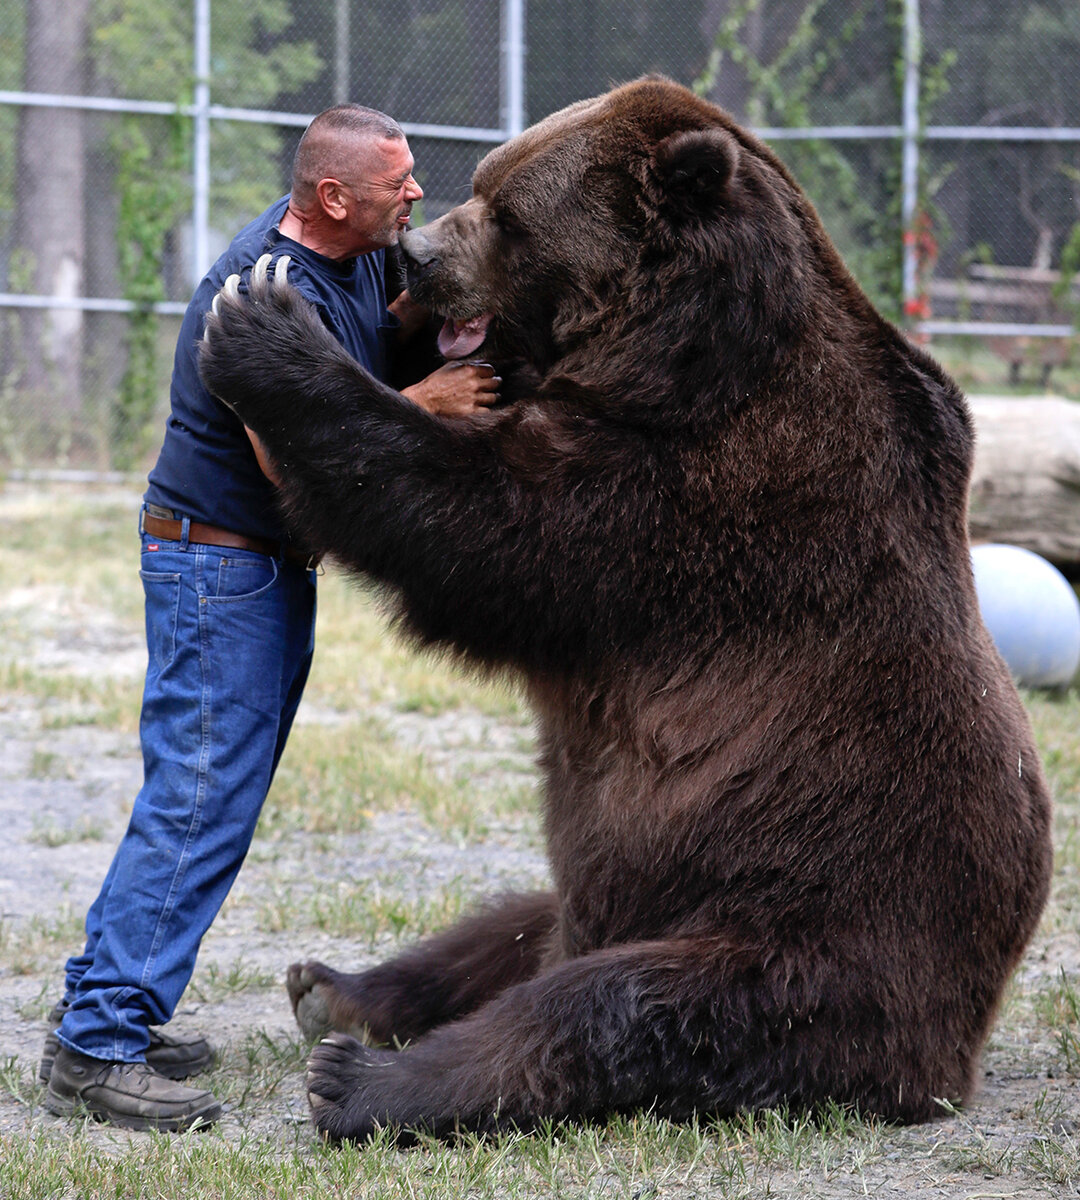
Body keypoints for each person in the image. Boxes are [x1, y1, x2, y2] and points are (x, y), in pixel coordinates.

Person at [41, 105, 498, 1133]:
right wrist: (424, 404)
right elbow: (295, 468)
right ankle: (96, 1045)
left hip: (260, 568)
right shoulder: (261, 296)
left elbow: (393, 330)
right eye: (399, 182)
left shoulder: (368, 260)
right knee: (199, 801)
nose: (416, 195)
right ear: (334, 197)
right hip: (219, 567)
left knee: (206, 798)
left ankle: (105, 1001)